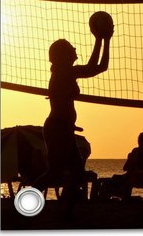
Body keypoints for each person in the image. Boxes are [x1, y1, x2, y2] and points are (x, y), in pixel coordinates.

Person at [34, 28, 112, 208]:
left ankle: (68, 205)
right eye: (71, 48)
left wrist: (105, 40)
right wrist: (100, 38)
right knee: (55, 173)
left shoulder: (65, 72)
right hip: (57, 128)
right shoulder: (65, 72)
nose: (75, 49)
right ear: (62, 55)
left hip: (63, 128)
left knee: (76, 172)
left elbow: (101, 67)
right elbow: (93, 68)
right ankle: (26, 201)